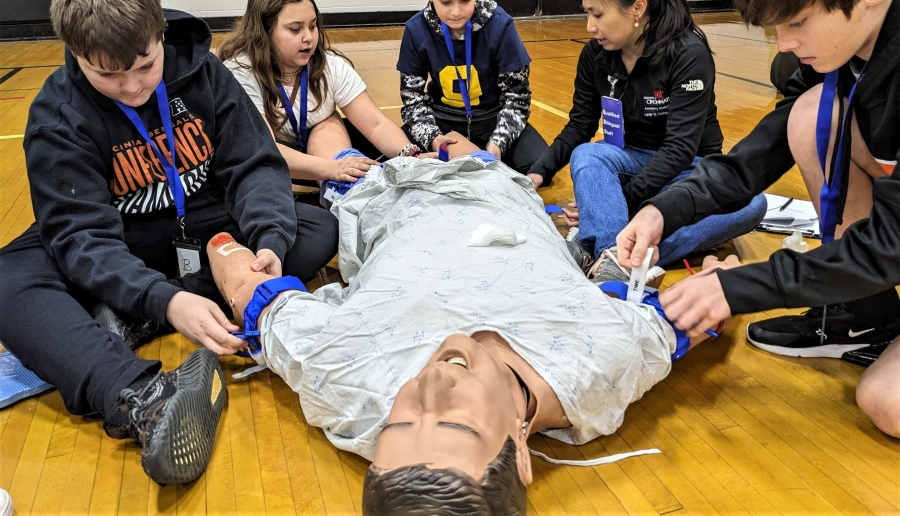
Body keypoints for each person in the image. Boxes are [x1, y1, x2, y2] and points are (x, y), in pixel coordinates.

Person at [205, 146, 726, 513]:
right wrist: (716, 287)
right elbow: (694, 314)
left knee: (331, 136)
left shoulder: (349, 384)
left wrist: (234, 256)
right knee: (740, 208)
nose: (430, 386)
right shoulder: (601, 365)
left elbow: (236, 271)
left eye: (400, 425)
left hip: (383, 186)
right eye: (455, 425)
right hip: (498, 180)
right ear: (521, 454)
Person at [0, 0, 338, 484]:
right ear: (75, 54)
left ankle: (129, 312)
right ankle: (141, 395)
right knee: (9, 283)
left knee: (312, 229)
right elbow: (81, 236)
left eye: (145, 66)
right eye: (108, 75)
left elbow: (253, 164)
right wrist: (169, 299)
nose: (132, 87)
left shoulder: (204, 72)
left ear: (160, 36)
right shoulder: (58, 114)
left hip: (199, 226)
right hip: (117, 236)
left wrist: (269, 239)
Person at [616, 0, 900, 437]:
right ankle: (867, 318)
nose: (785, 44)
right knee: (810, 116)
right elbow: (755, 156)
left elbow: (891, 245)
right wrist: (664, 210)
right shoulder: (848, 47)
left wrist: (735, 288)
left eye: (797, 22)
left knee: (887, 403)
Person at [526, 0, 766, 282]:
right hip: (632, 161)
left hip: (690, 168)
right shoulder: (594, 54)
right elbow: (582, 124)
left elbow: (681, 150)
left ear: (638, 8)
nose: (589, 25)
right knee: (589, 154)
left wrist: (621, 201)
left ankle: (609, 252)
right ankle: (617, 257)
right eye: (586, 14)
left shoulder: (688, 53)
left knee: (752, 202)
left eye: (597, 14)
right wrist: (537, 174)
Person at [219, 0, 453, 197]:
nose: (308, 37)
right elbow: (265, 150)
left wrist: (410, 155)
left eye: (312, 26)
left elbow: (375, 123)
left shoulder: (330, 66)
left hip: (317, 156)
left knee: (327, 122)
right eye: (294, 29)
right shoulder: (241, 73)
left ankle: (347, 193)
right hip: (263, 162)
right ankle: (337, 183)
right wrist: (332, 168)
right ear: (264, 33)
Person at [397, 0, 549, 174]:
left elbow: (517, 96)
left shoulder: (501, 26)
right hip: (441, 119)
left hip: (492, 118)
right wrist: (433, 139)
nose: (456, 12)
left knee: (539, 164)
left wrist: (499, 141)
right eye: (445, 2)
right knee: (399, 157)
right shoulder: (416, 30)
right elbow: (412, 100)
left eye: (465, 0)